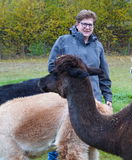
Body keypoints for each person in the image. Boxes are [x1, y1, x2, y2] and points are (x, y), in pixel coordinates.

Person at [47, 9, 113, 160]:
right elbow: (51, 67)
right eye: (84, 24)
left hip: (92, 99)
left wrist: (107, 95)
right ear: (77, 24)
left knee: (89, 138)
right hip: (68, 99)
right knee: (62, 138)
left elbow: (103, 73)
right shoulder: (63, 41)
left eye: (90, 25)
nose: (87, 27)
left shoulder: (97, 46)